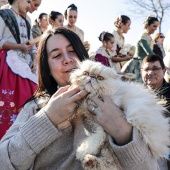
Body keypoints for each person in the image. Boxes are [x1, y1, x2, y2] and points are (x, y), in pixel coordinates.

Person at [0, 27, 168, 170]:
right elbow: (3, 162)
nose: (67, 59)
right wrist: (48, 118)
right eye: (57, 55)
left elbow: (154, 166)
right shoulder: (35, 108)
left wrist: (123, 131)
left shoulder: (121, 100)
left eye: (72, 51)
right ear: (47, 68)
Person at [0, 0, 37, 139]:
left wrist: (34, 60)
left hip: (25, 64)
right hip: (7, 62)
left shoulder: (26, 21)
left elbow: (32, 45)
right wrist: (18, 47)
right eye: (27, 1)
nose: (29, 5)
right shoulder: (4, 14)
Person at [141, 54, 170, 169]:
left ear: (164, 71)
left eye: (155, 69)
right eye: (147, 69)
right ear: (141, 71)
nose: (150, 73)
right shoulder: (136, 95)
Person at [122, 16, 159, 83]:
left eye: (157, 27)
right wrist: (159, 61)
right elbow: (149, 52)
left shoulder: (149, 37)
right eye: (154, 26)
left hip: (145, 63)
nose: (155, 29)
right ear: (147, 25)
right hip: (138, 64)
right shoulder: (143, 36)